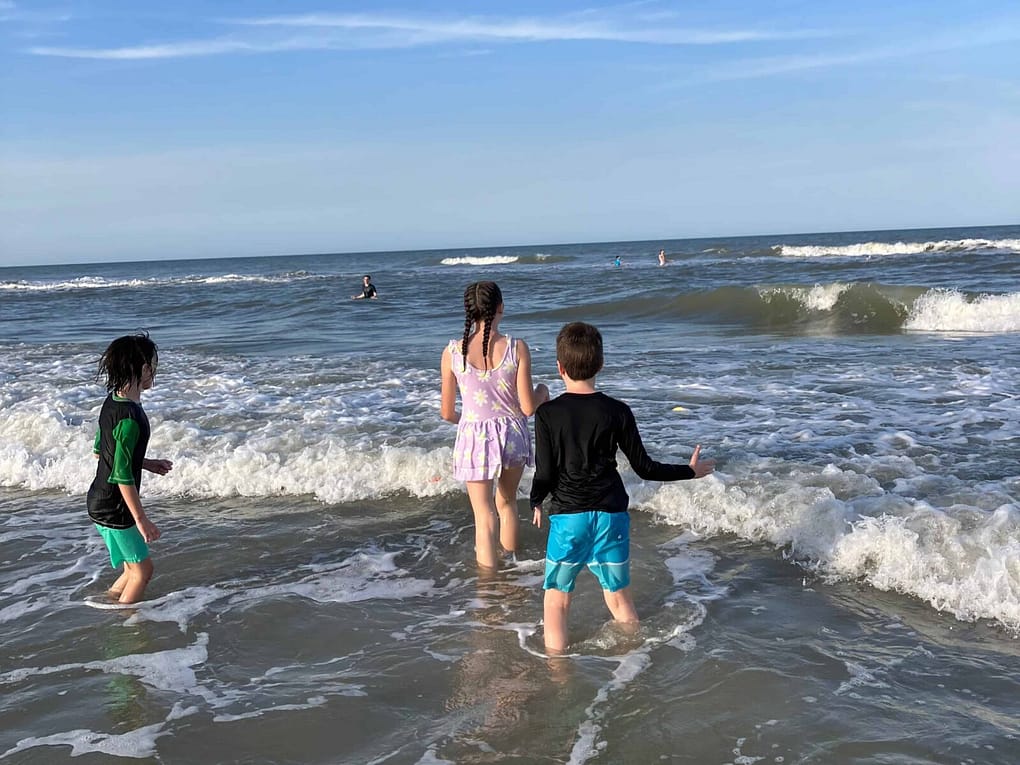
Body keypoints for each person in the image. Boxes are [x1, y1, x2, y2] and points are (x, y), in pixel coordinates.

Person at [530, 322, 714, 653]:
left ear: (559, 368)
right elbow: (645, 467)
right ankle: (633, 662)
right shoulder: (618, 411)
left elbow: (545, 472)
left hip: (569, 518)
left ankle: (557, 671)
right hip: (611, 513)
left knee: (556, 601)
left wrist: (536, 501)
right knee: (618, 597)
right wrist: (689, 471)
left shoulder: (547, 414)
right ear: (600, 364)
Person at [440, 281, 549, 569]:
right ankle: (512, 566)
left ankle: (488, 582)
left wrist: (469, 424)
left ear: (468, 311)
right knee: (507, 502)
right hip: (512, 434)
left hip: (474, 437)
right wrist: (543, 392)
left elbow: (447, 412)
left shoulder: (452, 352)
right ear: (500, 307)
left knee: (483, 514)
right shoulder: (516, 348)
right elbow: (527, 407)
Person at [87, 332, 173, 604]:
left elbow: (101, 451)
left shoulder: (112, 402)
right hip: (115, 506)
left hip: (99, 500)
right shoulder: (130, 419)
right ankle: (126, 625)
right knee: (143, 571)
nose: (154, 372)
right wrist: (141, 519)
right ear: (144, 368)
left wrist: (145, 463)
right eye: (153, 366)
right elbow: (122, 475)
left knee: (131, 567)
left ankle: (110, 601)